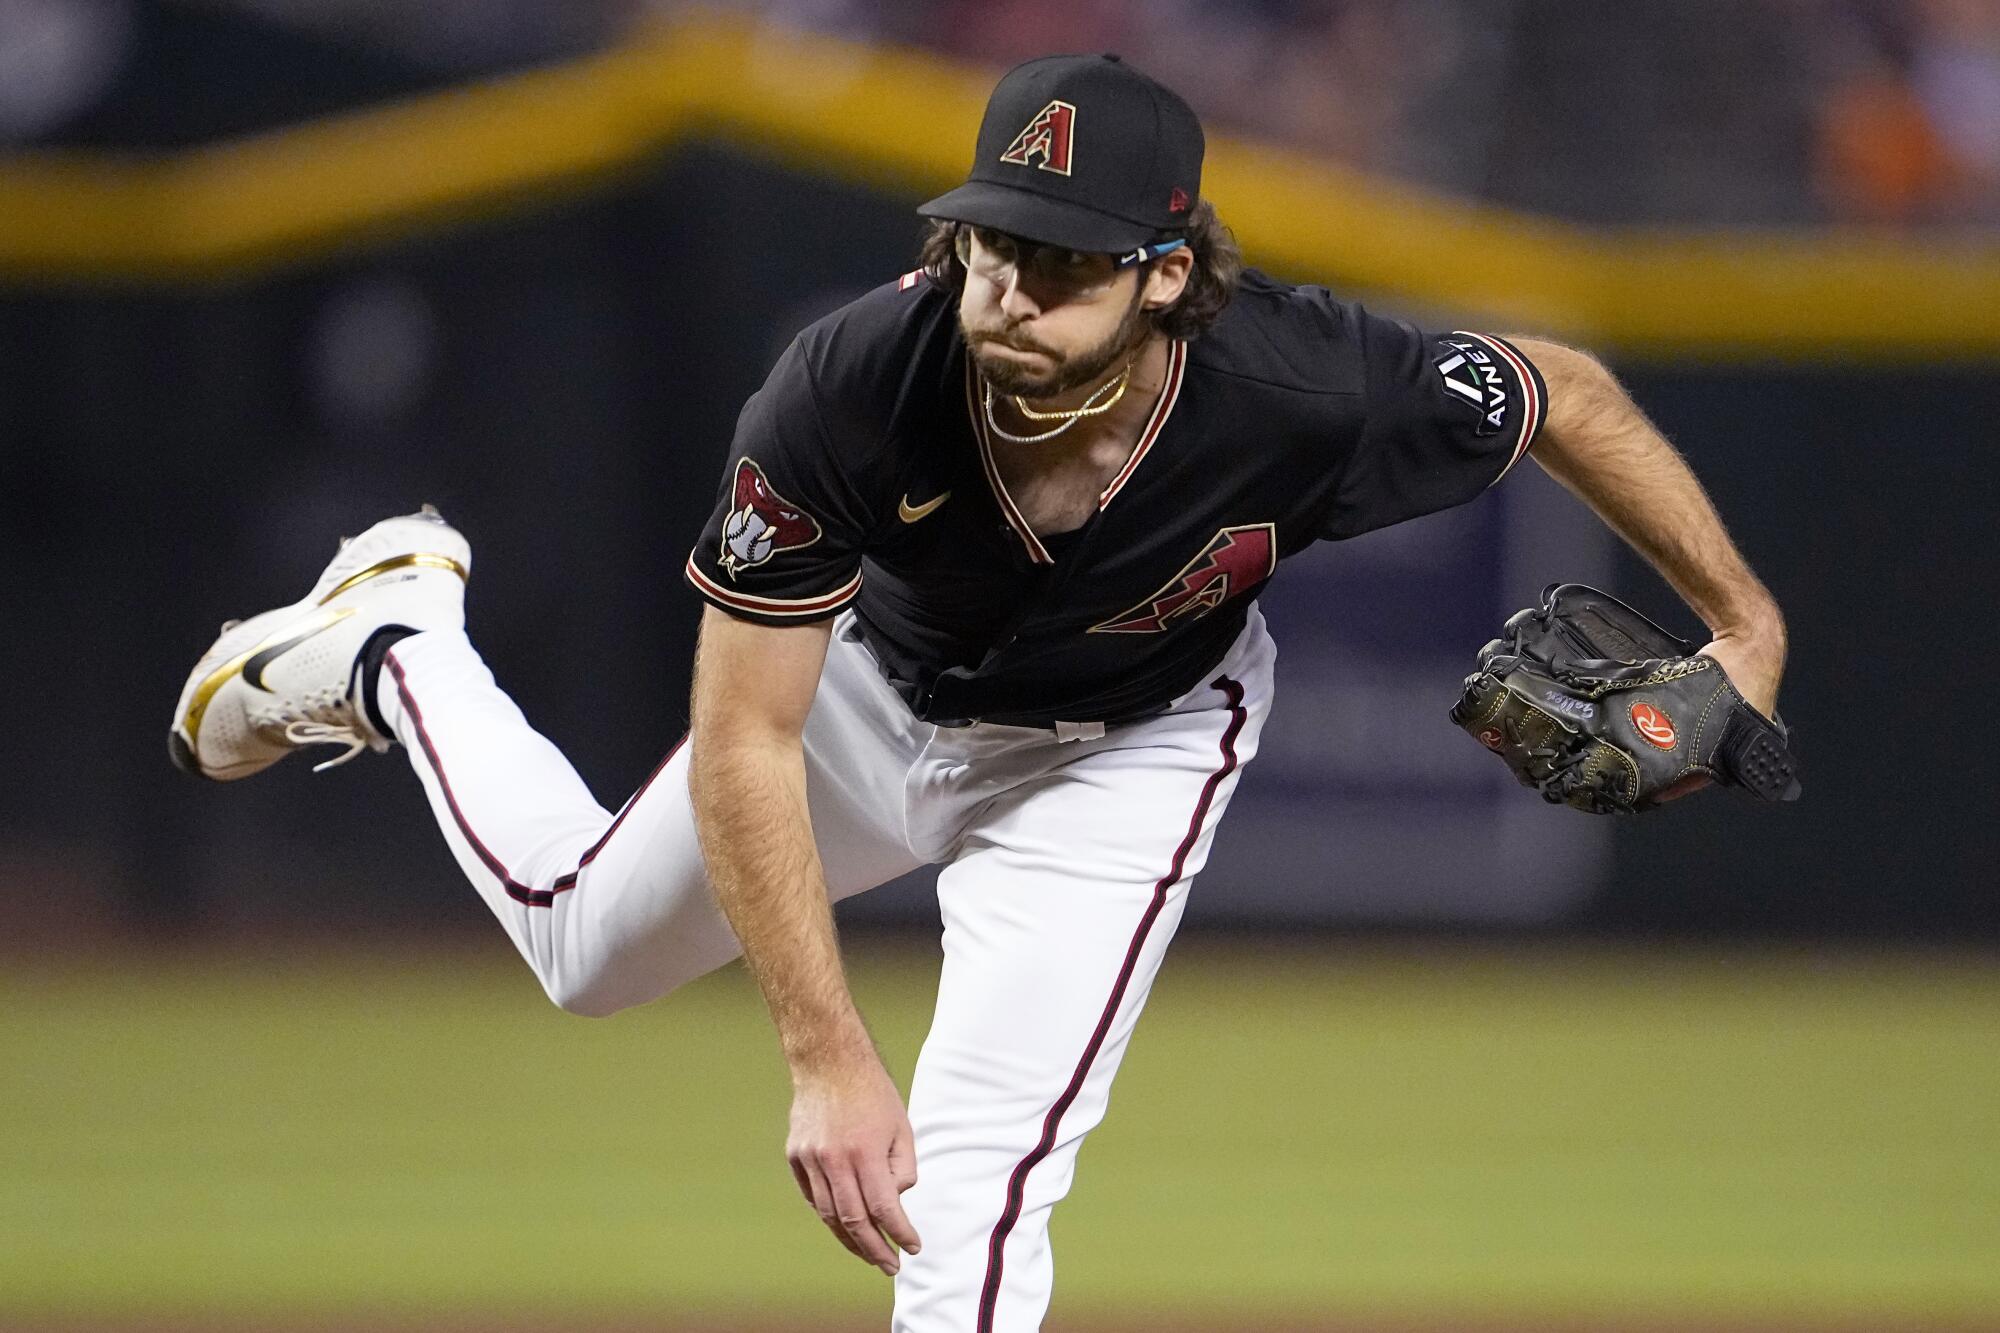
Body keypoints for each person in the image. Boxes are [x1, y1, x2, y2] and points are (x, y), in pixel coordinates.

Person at [169, 53, 1788, 1333]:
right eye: (993, 242)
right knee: (582, 949)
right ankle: (397, 642)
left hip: (1135, 746)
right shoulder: (849, 387)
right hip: (876, 696)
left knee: (977, 1180)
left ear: (1168, 273)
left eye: (1064, 260)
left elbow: (1561, 392)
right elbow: (749, 730)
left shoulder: (1300, 388)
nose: (1012, 288)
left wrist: (1743, 630)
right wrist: (823, 1049)